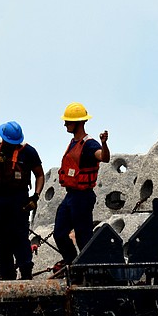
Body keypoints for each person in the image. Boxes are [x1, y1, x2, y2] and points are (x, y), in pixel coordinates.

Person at [0, 121, 45, 280]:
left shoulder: (28, 152)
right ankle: (7, 275)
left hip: (20, 198)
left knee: (20, 236)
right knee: (2, 238)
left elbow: (39, 174)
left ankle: (26, 272)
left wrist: (35, 196)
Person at [53, 102, 110, 269]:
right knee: (60, 233)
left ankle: (88, 267)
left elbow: (103, 157)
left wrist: (104, 143)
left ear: (78, 123)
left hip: (83, 196)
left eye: (68, 122)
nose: (65, 124)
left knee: (83, 235)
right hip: (71, 195)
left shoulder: (90, 144)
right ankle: (72, 262)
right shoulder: (72, 142)